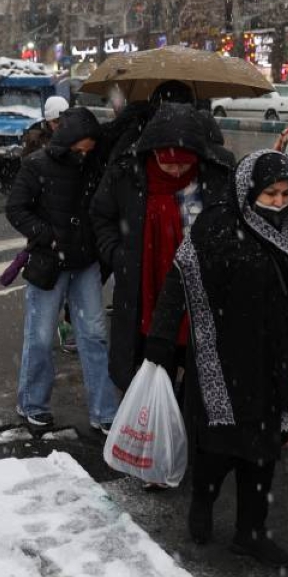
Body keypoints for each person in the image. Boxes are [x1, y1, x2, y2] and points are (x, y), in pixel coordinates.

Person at [144, 150, 288, 569]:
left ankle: (251, 533)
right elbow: (179, 279)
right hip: (222, 358)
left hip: (273, 363)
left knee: (263, 452)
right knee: (219, 448)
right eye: (270, 192)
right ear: (249, 190)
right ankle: (203, 501)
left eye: (286, 193)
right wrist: (159, 341)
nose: (279, 201)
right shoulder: (217, 225)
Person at [91, 103, 232, 394]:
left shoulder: (216, 173)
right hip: (145, 289)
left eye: (184, 163)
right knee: (149, 375)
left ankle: (191, 430)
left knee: (202, 380)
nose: (177, 169)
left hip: (200, 293)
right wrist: (117, 255)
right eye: (169, 163)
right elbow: (100, 215)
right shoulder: (127, 174)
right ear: (153, 152)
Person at [5, 107, 120, 433]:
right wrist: (48, 235)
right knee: (39, 338)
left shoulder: (96, 167)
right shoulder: (37, 165)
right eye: (79, 148)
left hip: (85, 263)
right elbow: (15, 209)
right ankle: (32, 404)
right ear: (67, 141)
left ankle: (104, 411)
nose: (84, 154)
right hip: (49, 263)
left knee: (94, 337)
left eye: (89, 148)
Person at [20, 95, 70, 160]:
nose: (59, 124)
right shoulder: (34, 135)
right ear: (48, 120)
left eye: (63, 120)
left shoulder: (72, 132)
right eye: (56, 121)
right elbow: (26, 162)